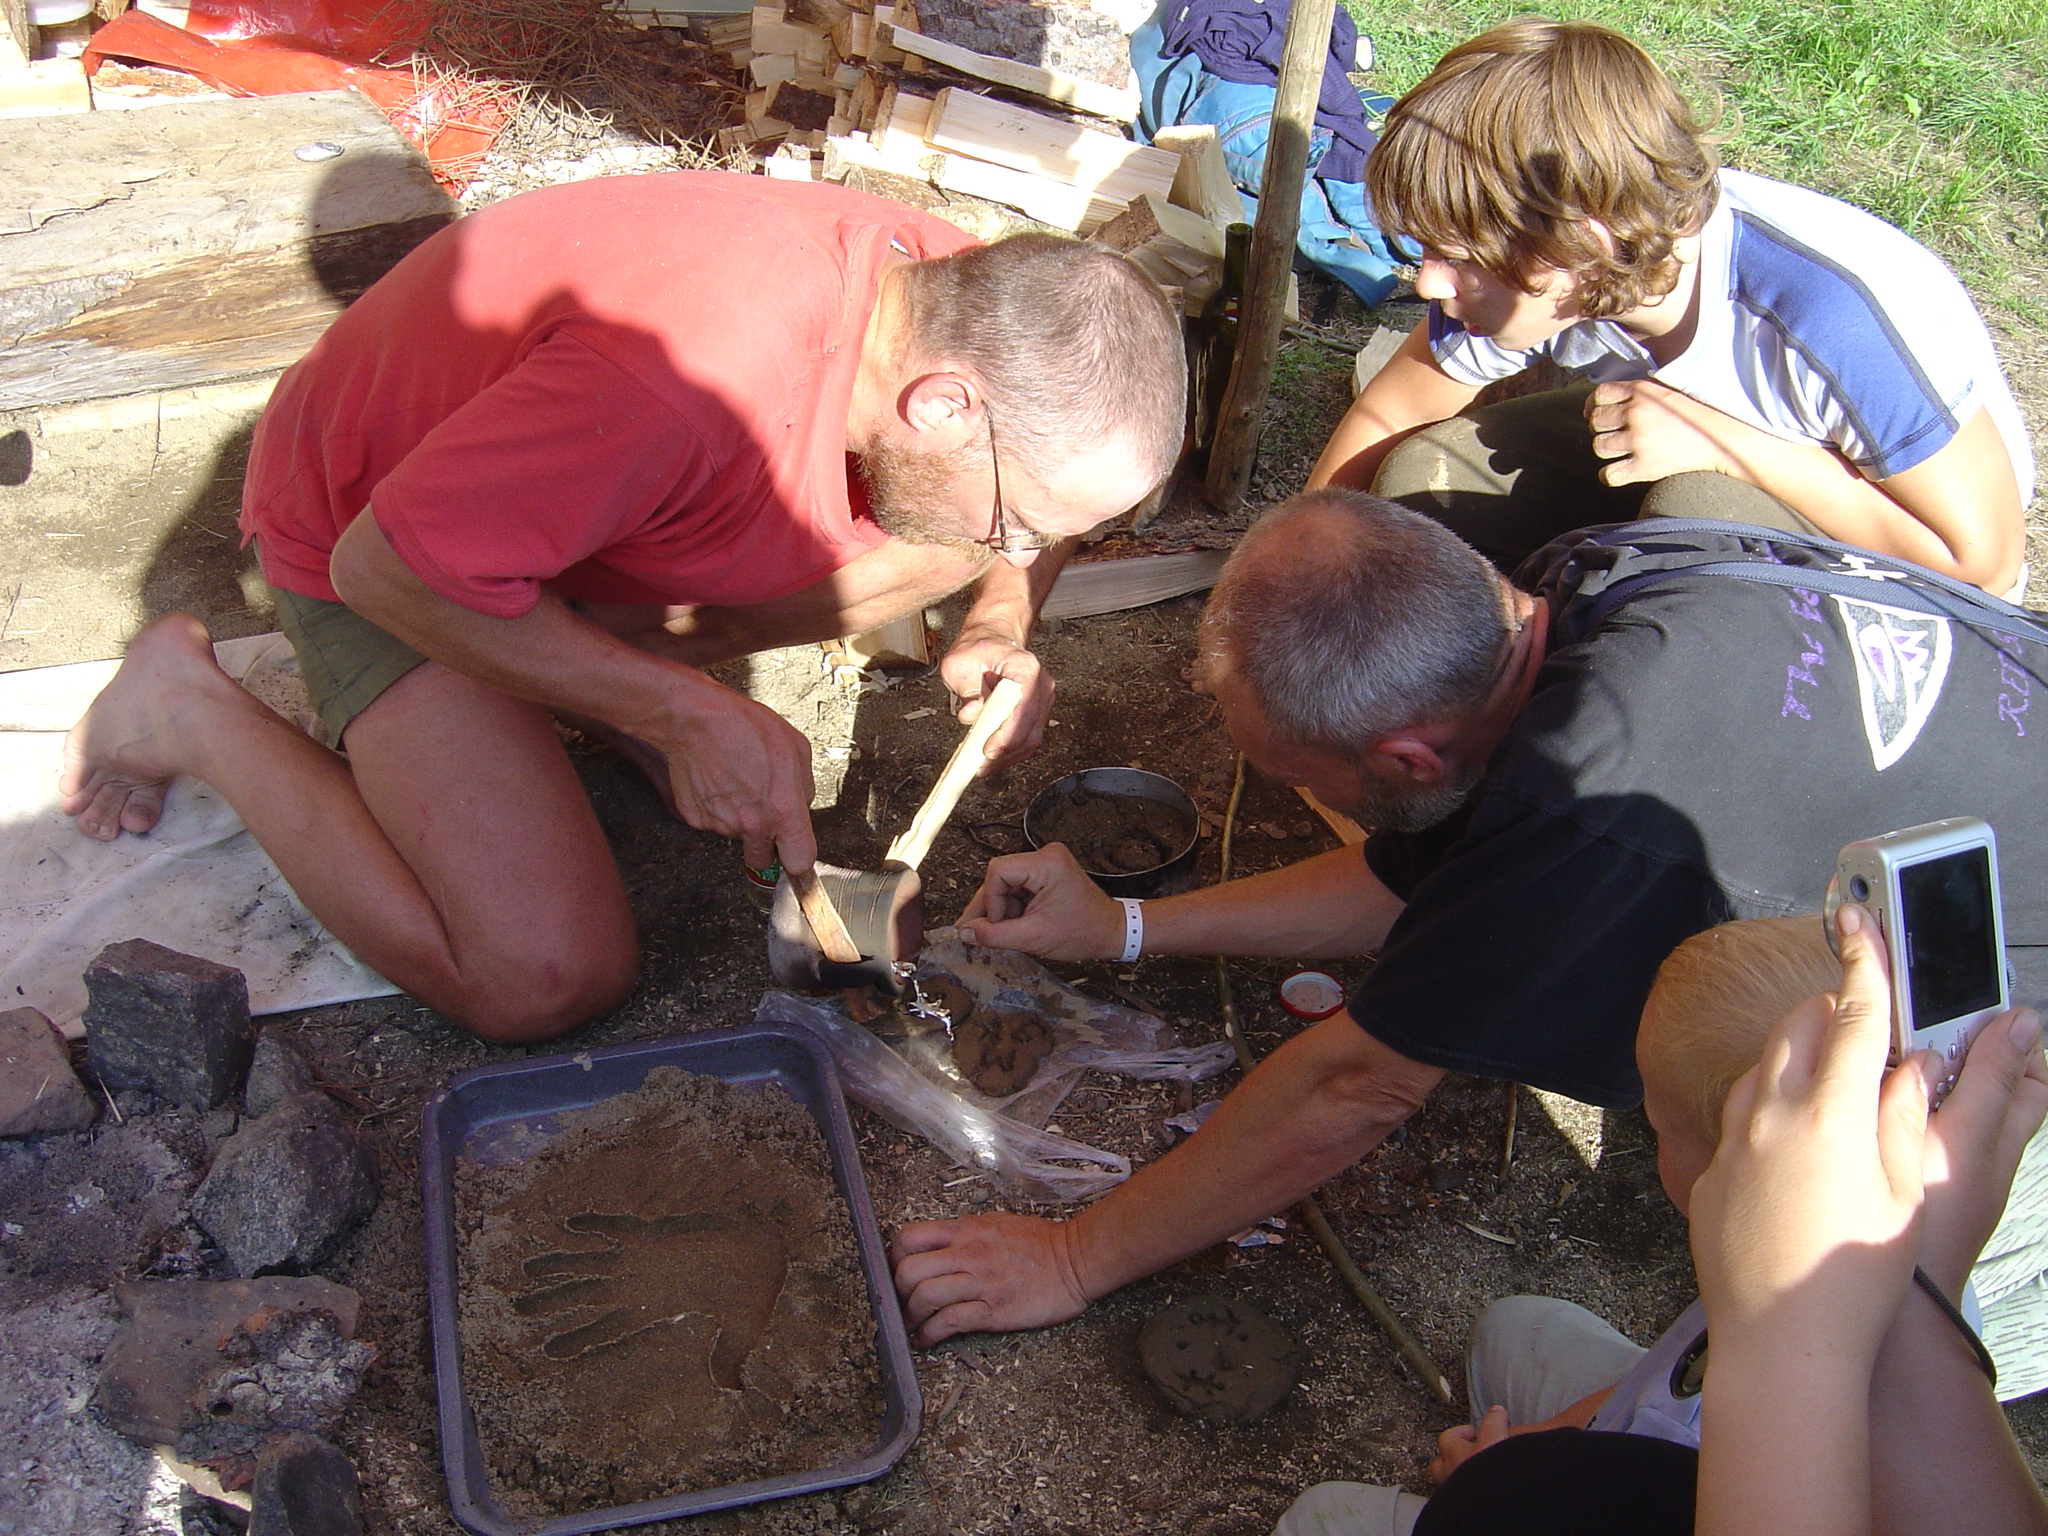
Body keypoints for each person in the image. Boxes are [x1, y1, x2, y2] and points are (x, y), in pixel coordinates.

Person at [889, 487, 2048, 1346]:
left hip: (2015, 1032)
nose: (1293, 795)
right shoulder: (1559, 591)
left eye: (1295, 775)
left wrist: (1074, 1257)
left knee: (1879, 1319)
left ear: (1403, 755)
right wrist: (1124, 930)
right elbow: (1428, 874)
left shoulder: (1588, 798)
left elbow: (1356, 1087)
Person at [57, 173, 1185, 1043]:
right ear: (943, 405)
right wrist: (679, 711)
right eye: (1022, 525)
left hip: (567, 500)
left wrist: (998, 618)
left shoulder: (969, 307)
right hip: (377, 534)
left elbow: (1034, 509)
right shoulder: (686, 379)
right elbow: (382, 571)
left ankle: (594, 666)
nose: (1024, 550)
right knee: (543, 975)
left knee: (939, 532)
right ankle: (187, 708)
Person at [1271, 909, 2048, 1535]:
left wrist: (1502, 1480)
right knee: (1513, 1329)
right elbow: (1662, 1384)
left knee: (1322, 1517)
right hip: (1644, 1435)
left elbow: (1668, 1429)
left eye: (1656, 1129)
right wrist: (1543, 1443)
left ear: (1732, 1177)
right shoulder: (1848, 1252)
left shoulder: (1738, 1420)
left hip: (1644, 1488)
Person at [1307, 21, 2034, 601]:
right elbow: (1394, 411)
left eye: (1459, 257)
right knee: (1421, 477)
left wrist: (1726, 447)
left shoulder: (1824, 316)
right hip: (1678, 446)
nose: (1429, 284)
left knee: (1692, 513)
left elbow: (1985, 565)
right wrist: (1293, 567)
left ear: (1582, 244)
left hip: (1900, 546)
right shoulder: (1567, 268)